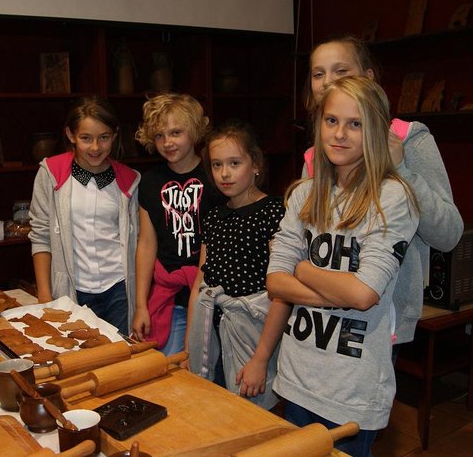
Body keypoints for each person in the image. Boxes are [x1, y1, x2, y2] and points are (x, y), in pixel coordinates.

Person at [267, 76, 420, 456]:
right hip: (297, 377)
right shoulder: (303, 194)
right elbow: (275, 283)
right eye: (332, 120)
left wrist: (303, 269)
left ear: (376, 131)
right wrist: (340, 292)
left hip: (353, 388)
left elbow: (364, 294)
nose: (339, 134)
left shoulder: (391, 197)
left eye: (355, 124)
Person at [303, 35, 463, 350]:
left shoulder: (409, 139)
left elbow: (448, 233)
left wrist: (401, 169)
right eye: (318, 73)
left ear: (368, 77)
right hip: (318, 316)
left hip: (381, 325)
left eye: (341, 71)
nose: (328, 81)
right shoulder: (314, 158)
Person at [186, 121, 286, 410]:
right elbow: (200, 284)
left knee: (254, 416)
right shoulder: (213, 217)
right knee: (217, 412)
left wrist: (260, 359)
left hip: (254, 337)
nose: (224, 173)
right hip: (213, 334)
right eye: (217, 165)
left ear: (256, 164)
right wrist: (190, 346)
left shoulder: (274, 212)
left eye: (234, 163)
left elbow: (282, 293)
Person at [28, 96, 140, 335]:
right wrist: (45, 295)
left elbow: (139, 241)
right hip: (72, 289)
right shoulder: (50, 173)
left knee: (119, 350)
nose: (95, 147)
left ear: (115, 134)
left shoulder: (129, 180)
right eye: (86, 138)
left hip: (119, 288)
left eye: (104, 137)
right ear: (71, 135)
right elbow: (40, 236)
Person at [131, 93, 223, 355]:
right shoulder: (150, 182)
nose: (167, 142)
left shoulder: (216, 176)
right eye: (159, 135)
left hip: (212, 294)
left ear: (194, 131)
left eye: (175, 133)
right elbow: (146, 244)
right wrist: (141, 305)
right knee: (170, 366)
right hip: (170, 298)